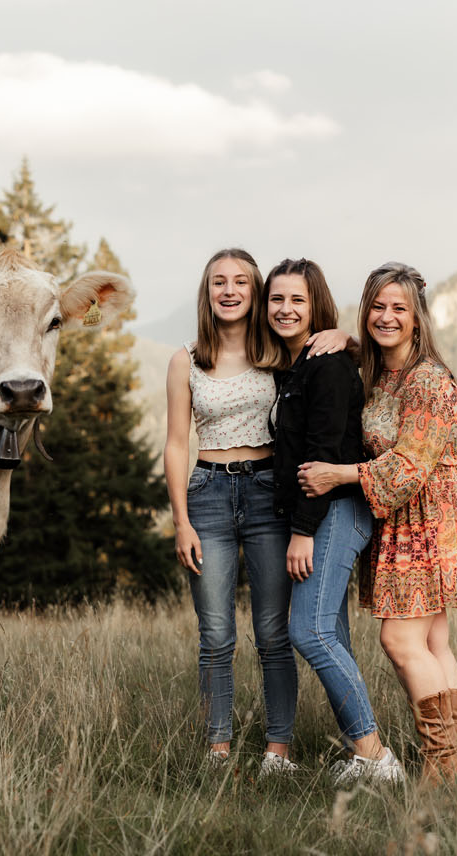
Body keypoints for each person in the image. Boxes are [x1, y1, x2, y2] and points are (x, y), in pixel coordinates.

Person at [297, 262, 457, 784]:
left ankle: (443, 767)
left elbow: (407, 468)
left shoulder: (429, 380)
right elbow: (365, 344)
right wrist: (344, 336)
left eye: (398, 308)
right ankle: (456, 772)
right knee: (433, 645)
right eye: (377, 306)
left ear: (418, 318)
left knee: (401, 643)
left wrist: (337, 475)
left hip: (430, 517)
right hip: (405, 519)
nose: (386, 317)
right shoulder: (381, 371)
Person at [163, 248, 344, 775]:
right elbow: (176, 444)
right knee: (216, 634)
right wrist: (182, 521)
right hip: (208, 495)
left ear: (255, 291)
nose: (229, 290)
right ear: (208, 291)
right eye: (219, 282)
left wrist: (346, 336)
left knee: (272, 632)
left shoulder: (279, 354)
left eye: (241, 281)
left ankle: (277, 751)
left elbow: (331, 355)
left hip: (270, 494)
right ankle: (218, 750)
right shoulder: (187, 360)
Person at [264, 258, 404, 784]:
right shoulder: (299, 363)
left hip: (334, 513)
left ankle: (374, 753)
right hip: (318, 514)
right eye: (277, 299)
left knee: (310, 631)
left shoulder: (326, 364)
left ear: (315, 305)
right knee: (331, 633)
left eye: (297, 300)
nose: (285, 308)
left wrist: (302, 532)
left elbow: (322, 455)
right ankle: (360, 753)